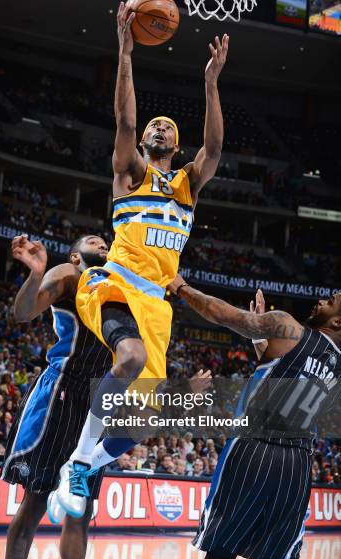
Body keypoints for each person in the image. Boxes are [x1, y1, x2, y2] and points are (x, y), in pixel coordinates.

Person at [60, 3, 228, 518]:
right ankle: (78, 463)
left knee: (144, 422)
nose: (156, 129)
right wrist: (126, 51)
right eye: (153, 126)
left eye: (166, 128)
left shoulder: (186, 185)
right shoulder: (129, 170)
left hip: (156, 306)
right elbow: (125, 118)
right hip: (114, 285)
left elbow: (216, 147)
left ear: (177, 145)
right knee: (128, 359)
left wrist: (211, 84)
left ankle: (87, 460)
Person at [167, 276, 341, 559]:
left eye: (332, 300)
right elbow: (286, 370)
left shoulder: (287, 326)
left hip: (255, 447)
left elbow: (223, 314)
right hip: (298, 462)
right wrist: (262, 337)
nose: (323, 298)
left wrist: (181, 288)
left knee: (219, 552)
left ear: (337, 320)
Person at [0, 234, 111, 559]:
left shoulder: (119, 287)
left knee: (80, 510)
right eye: (96, 241)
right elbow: (23, 312)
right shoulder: (70, 273)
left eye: (108, 241)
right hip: (61, 394)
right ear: (78, 254)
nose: (105, 244)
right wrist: (35, 274)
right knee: (36, 500)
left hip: (95, 406)